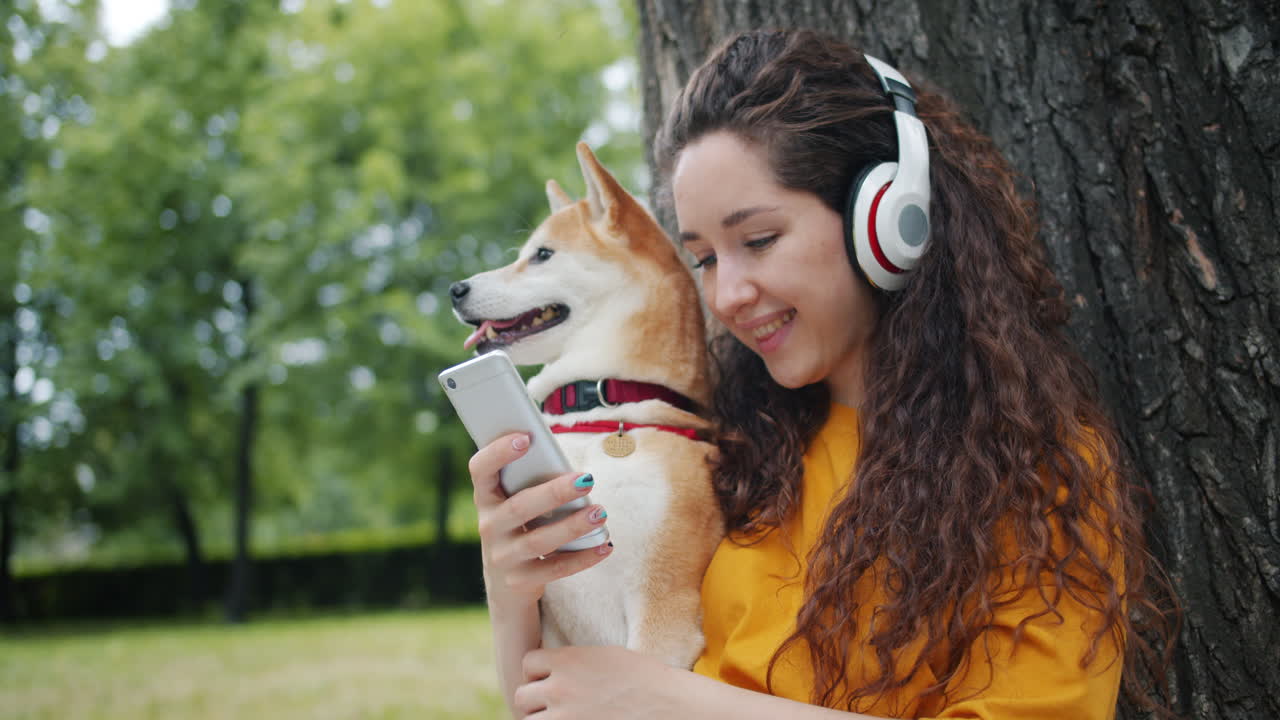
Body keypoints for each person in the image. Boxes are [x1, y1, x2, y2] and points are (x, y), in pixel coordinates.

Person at [465, 28, 1174, 719]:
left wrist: (669, 701)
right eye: (705, 258)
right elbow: (554, 697)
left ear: (888, 221)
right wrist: (512, 589)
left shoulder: (1033, 469)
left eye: (759, 240)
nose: (726, 295)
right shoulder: (730, 447)